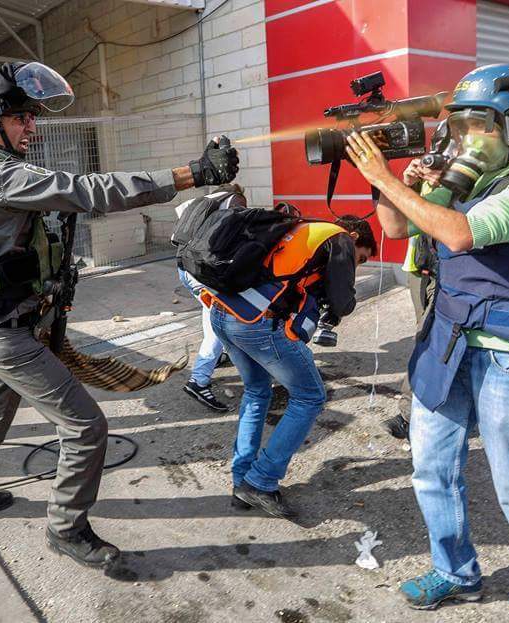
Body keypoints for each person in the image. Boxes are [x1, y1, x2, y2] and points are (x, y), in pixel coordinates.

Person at [0, 61, 239, 570]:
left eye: (32, 117)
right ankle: (66, 527)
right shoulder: (1, 177)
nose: (32, 127)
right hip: (8, 333)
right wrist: (191, 174)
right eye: (20, 119)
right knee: (85, 428)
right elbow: (92, 193)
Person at [347, 64, 509, 621]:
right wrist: (393, 180)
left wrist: (386, 179)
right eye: (463, 125)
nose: (470, 138)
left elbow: (456, 231)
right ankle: (455, 571)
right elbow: (400, 228)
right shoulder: (468, 172)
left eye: (484, 125)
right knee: (431, 467)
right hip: (448, 338)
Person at [200, 214, 377, 518]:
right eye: (361, 259)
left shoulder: (301, 228)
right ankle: (260, 481)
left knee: (256, 392)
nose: (356, 265)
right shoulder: (340, 239)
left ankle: (241, 481)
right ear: (356, 237)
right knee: (310, 397)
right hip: (254, 323)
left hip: (222, 312)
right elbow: (342, 300)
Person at [387, 158, 448, 440]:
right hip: (416, 269)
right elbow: (395, 222)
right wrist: (407, 182)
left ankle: (409, 415)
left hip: (443, 271)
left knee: (425, 339)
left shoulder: (457, 178)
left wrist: (444, 183)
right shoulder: (421, 179)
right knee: (426, 338)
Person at [176, 186, 247, 413]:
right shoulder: (234, 201)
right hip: (204, 274)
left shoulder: (201, 203)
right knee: (220, 321)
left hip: (186, 267)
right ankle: (199, 381)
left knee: (212, 315)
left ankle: (214, 359)